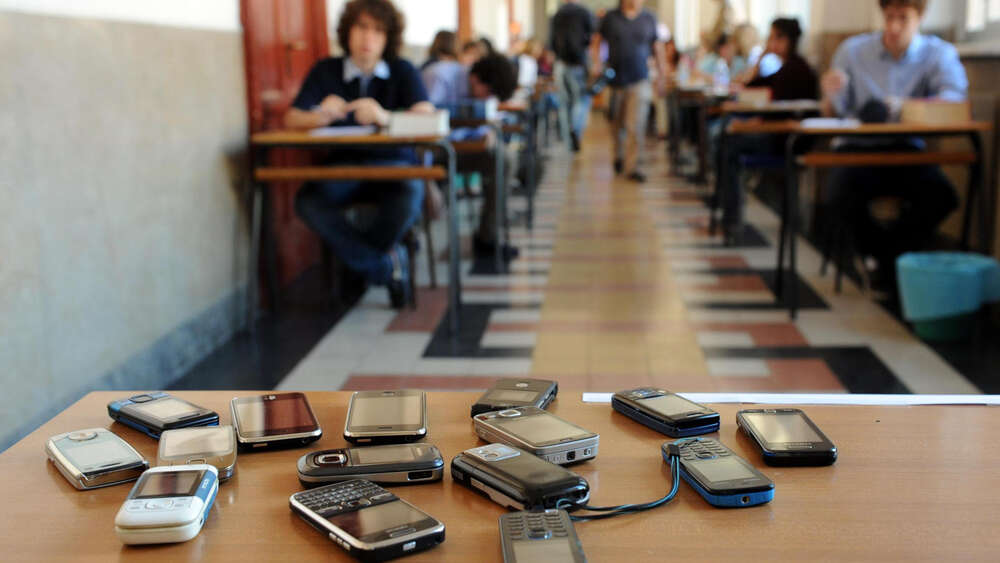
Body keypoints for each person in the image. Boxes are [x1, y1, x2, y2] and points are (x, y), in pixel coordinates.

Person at [284, 0, 434, 308]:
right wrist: (321, 115)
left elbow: (428, 119)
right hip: (344, 167)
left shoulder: (401, 70)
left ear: (388, 38)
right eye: (362, 27)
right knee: (308, 203)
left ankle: (359, 267)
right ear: (347, 30)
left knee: (409, 198)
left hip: (395, 166)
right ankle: (385, 267)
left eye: (378, 31)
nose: (369, 38)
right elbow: (292, 118)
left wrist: (385, 117)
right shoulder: (326, 69)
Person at [820, 0, 968, 291]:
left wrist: (902, 108)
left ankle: (887, 260)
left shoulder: (938, 54)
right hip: (858, 147)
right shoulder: (852, 50)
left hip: (906, 150)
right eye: (889, 17)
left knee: (941, 196)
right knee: (838, 194)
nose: (894, 27)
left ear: (921, 17)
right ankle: (880, 257)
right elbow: (834, 112)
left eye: (903, 18)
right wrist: (829, 96)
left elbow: (954, 101)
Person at [717, 17, 819, 239]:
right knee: (727, 137)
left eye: (775, 38)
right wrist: (763, 55)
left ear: (788, 40)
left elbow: (781, 112)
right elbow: (751, 84)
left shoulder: (796, 69)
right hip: (779, 132)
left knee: (730, 144)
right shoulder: (785, 68)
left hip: (789, 138)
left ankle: (732, 219)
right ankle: (730, 214)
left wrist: (750, 125)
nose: (771, 43)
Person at [595, 0, 669, 182]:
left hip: (640, 79)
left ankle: (632, 166)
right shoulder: (611, 18)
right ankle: (618, 156)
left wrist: (662, 76)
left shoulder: (649, 18)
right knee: (616, 124)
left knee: (635, 126)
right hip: (615, 80)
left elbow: (657, 48)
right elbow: (597, 41)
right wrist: (596, 63)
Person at [550, 0, 597, 152]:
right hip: (579, 64)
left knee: (564, 103)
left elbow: (551, 41)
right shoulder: (585, 12)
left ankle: (568, 138)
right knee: (582, 100)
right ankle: (575, 129)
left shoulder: (558, 14)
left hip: (561, 64)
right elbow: (593, 38)